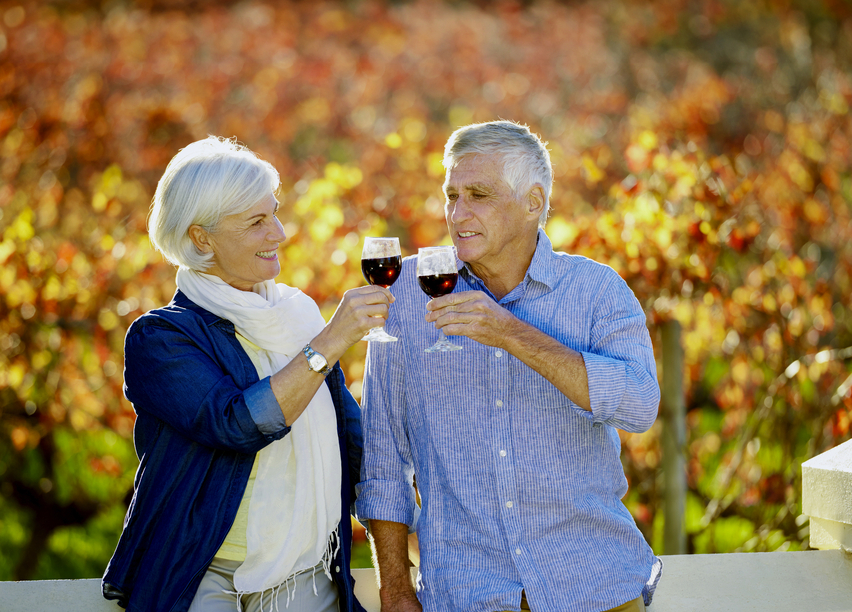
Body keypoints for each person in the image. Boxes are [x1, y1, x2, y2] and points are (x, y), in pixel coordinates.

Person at [356, 121, 662, 612]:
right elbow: (384, 461)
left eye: (479, 195)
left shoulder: (596, 291)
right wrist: (395, 589)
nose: (458, 213)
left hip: (595, 590)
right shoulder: (406, 298)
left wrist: (511, 334)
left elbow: (640, 406)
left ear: (533, 203)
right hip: (465, 595)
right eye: (452, 195)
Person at [102, 136, 391, 612]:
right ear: (201, 238)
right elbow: (237, 423)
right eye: (257, 222)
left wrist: (415, 544)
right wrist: (330, 343)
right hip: (200, 573)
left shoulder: (298, 315)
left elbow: (353, 445)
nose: (278, 233)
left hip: (306, 573)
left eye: (274, 213)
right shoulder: (162, 339)